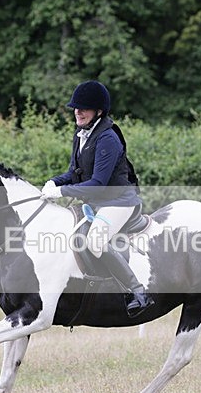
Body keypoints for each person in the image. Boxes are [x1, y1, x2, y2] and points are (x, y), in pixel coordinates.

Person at [40, 80, 154, 318]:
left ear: (99, 111)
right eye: (76, 107)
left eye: (84, 108)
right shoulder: (81, 135)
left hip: (119, 200)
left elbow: (97, 184)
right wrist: (54, 182)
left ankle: (137, 292)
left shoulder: (107, 139)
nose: (77, 112)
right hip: (100, 201)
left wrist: (62, 193)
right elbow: (74, 173)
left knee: (95, 241)